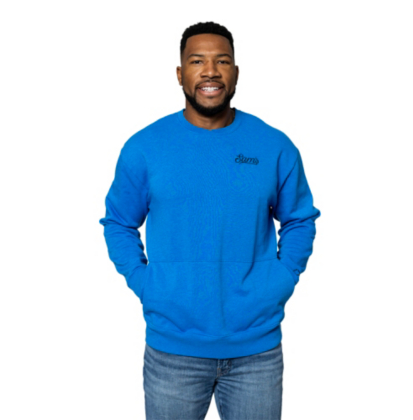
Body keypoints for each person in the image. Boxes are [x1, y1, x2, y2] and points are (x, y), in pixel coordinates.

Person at [99, 21, 321, 420]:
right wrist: (148, 285)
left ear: (235, 72)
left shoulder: (273, 146)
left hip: (256, 350)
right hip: (173, 351)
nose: (211, 71)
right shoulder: (145, 147)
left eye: (222, 61)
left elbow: (299, 219)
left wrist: (281, 279)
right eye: (197, 60)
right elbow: (118, 222)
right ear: (180, 73)